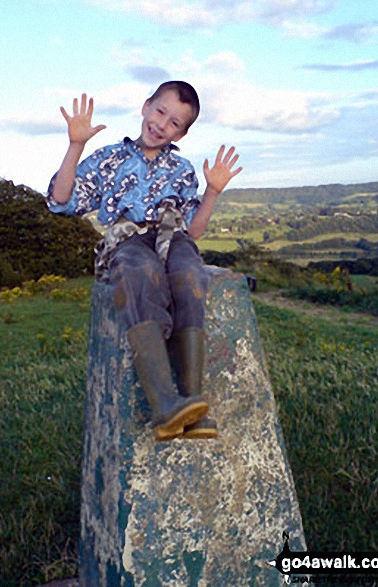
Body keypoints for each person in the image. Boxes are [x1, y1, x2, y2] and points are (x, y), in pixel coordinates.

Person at [45, 81, 242, 441]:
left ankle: (192, 403)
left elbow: (194, 230)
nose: (162, 124)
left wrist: (212, 192)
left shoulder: (181, 169)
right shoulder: (109, 159)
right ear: (146, 106)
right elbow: (62, 200)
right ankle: (165, 404)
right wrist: (76, 145)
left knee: (188, 275)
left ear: (182, 132)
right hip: (129, 239)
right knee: (141, 273)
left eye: (175, 123)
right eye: (160, 111)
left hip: (174, 237)